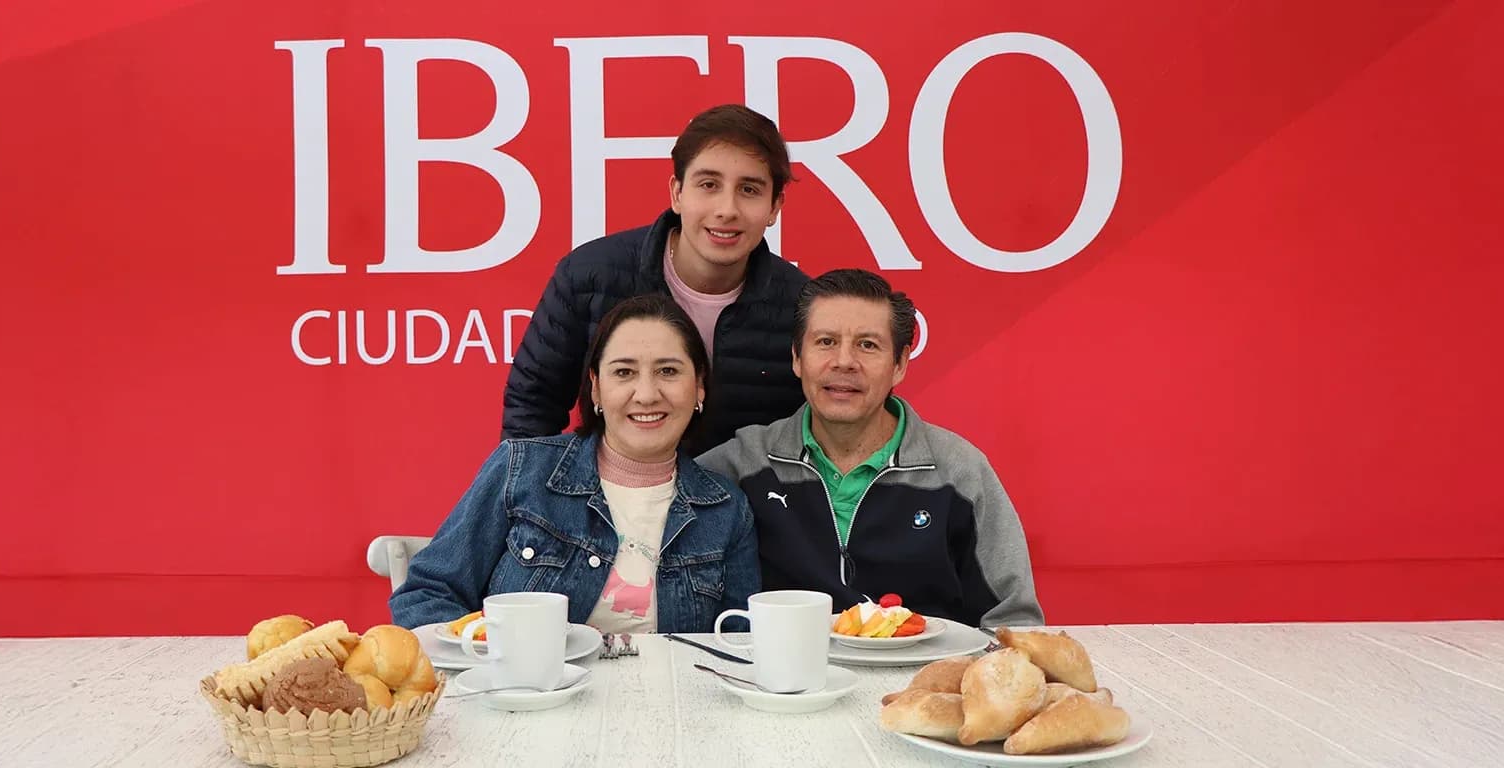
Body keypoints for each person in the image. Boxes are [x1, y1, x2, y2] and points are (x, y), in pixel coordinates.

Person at [697, 269, 1044, 628]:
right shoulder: (741, 464)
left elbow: (1015, 623)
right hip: (790, 681)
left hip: (924, 679)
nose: (844, 361)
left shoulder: (960, 472)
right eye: (826, 342)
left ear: (900, 364)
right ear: (797, 359)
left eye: (867, 345)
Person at [393, 295, 760, 633]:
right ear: (596, 388)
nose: (647, 394)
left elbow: (737, 643)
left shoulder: (726, 510)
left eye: (668, 371)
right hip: (525, 699)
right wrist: (490, 662)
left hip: (673, 704)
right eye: (624, 372)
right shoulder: (522, 469)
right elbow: (427, 595)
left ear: (699, 388)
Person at [501, 104, 809, 455]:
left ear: (774, 207)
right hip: (604, 498)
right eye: (708, 184)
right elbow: (532, 404)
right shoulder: (589, 276)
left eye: (749, 190)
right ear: (677, 193)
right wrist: (537, 501)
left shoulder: (801, 306)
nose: (727, 209)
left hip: (741, 505)